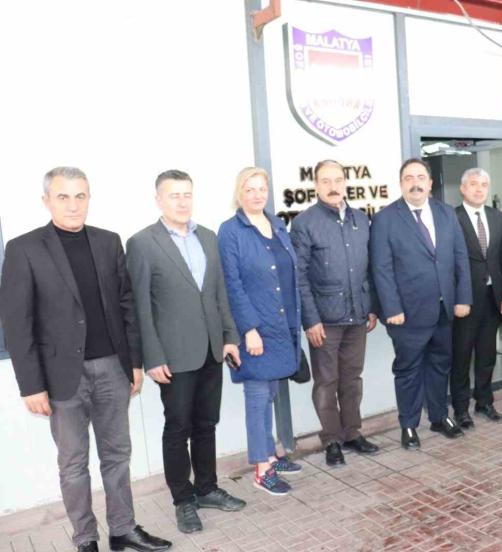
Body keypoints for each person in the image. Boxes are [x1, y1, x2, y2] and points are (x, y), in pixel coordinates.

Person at [0, 167, 171, 552]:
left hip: (112, 369)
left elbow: (126, 306)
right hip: (61, 377)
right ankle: (85, 539)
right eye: (63, 196)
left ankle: (123, 530)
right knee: (73, 464)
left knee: (118, 455)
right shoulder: (24, 249)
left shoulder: (108, 242)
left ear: (89, 198)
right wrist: (31, 386)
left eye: (81, 196)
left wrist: (134, 362)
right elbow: (16, 323)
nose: (73, 205)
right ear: (46, 201)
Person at [126, 170, 245, 534]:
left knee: (206, 423)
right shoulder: (142, 243)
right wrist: (152, 357)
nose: (182, 201)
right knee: (178, 428)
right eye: (174, 195)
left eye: (187, 194)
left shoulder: (207, 237)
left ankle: (207, 488)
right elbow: (140, 307)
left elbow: (219, 293)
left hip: (211, 349)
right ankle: (183, 500)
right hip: (173, 357)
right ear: (158, 200)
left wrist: (229, 337)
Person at [370, 158, 473, 450]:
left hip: (443, 309)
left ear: (430, 183)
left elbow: (460, 257)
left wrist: (463, 298)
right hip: (406, 314)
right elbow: (381, 268)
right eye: (408, 178)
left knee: (440, 365)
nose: (415, 183)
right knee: (408, 370)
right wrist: (392, 309)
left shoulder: (446, 213)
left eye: (420, 178)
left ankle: (439, 417)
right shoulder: (385, 219)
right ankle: (409, 425)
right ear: (401, 184)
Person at [218, 167, 304, 493]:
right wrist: (248, 329)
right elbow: (232, 284)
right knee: (257, 396)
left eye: (261, 189)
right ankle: (261, 469)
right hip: (255, 328)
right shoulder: (231, 231)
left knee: (270, 393)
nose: (256, 195)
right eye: (249, 189)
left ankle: (270, 453)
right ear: (239, 193)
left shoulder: (277, 224)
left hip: (282, 323)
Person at [291, 160, 380, 466]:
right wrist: (311, 320)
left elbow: (369, 268)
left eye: (338, 180)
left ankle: (353, 433)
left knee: (352, 379)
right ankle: (331, 440)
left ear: (345, 183)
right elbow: (299, 277)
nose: (333, 187)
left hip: (358, 316)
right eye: (326, 181)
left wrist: (371, 307)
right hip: (325, 321)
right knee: (326, 382)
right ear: (316, 185)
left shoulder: (361, 219)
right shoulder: (304, 223)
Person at [451, 168, 502, 428]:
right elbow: (449, 262)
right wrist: (457, 298)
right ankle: (461, 409)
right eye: (473, 184)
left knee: (487, 354)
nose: (479, 189)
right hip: (465, 300)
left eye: (483, 185)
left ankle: (484, 402)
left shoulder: (497, 217)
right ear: (463, 189)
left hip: (492, 297)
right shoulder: (452, 217)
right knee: (462, 356)